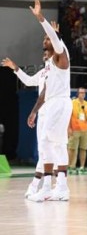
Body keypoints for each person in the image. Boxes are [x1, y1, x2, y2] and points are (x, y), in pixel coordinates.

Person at [26, 0, 73, 202]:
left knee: (50, 142)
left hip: (60, 102)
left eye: (48, 39)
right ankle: (56, 187)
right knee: (54, 144)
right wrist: (35, 110)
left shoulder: (61, 54)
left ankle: (52, 187)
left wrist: (40, 18)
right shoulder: (49, 63)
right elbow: (43, 91)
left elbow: (55, 39)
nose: (45, 41)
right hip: (54, 102)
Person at [2, 49, 50, 197]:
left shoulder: (57, 70)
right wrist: (15, 68)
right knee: (44, 149)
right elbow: (29, 81)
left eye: (48, 51)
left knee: (50, 148)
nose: (44, 53)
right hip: (42, 113)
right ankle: (43, 186)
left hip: (51, 111)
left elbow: (45, 94)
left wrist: (33, 111)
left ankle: (42, 185)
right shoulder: (43, 72)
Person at [68, 88, 87, 175]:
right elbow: (69, 115)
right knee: (72, 148)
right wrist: (69, 128)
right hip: (74, 129)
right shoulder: (72, 102)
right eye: (81, 93)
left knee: (83, 149)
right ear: (77, 94)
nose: (83, 94)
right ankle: (70, 166)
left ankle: (82, 167)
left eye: (84, 93)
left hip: (84, 130)